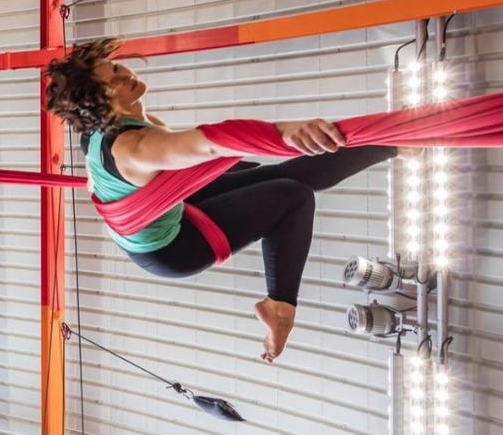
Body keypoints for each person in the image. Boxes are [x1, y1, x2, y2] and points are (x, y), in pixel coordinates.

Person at [43, 38, 399, 363]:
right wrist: (283, 132)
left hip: (162, 206)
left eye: (117, 67)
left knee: (275, 178)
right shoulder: (134, 147)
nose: (126, 74)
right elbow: (212, 144)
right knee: (294, 197)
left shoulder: (113, 125)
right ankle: (280, 306)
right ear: (102, 100)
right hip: (171, 248)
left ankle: (393, 144)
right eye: (113, 79)